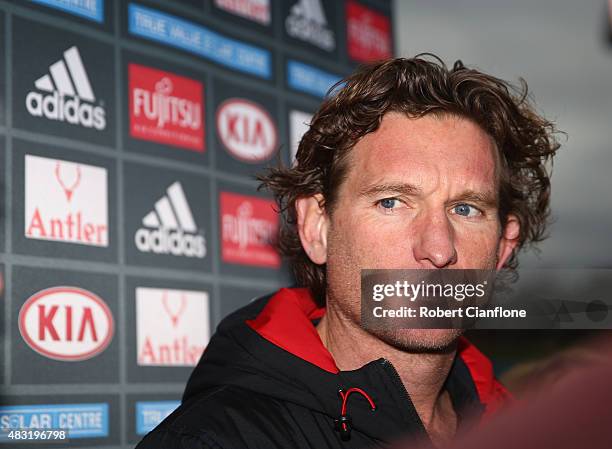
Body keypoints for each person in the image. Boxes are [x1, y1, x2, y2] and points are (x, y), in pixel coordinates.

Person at [136, 56, 560, 449]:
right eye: (391, 202)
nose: (437, 248)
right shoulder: (215, 440)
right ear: (317, 227)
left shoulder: (525, 430)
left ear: (503, 246)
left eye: (465, 209)